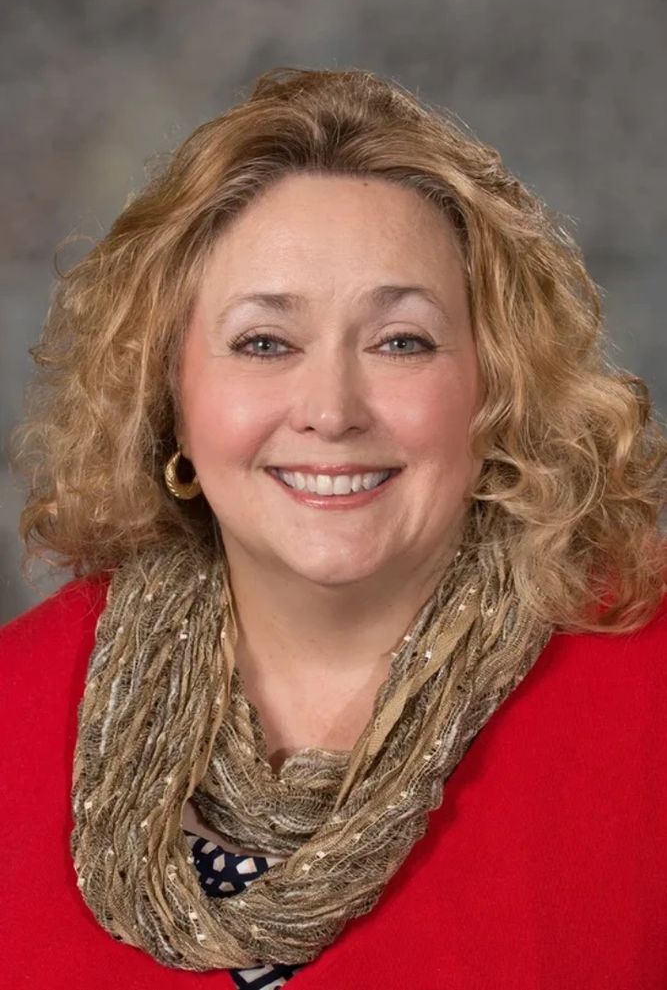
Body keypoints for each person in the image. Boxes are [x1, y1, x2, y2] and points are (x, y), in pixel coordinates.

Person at [2, 66, 666, 990]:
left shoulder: (648, 700)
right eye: (264, 342)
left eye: (400, 340)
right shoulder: (15, 706)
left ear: (496, 387)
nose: (331, 409)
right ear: (169, 394)